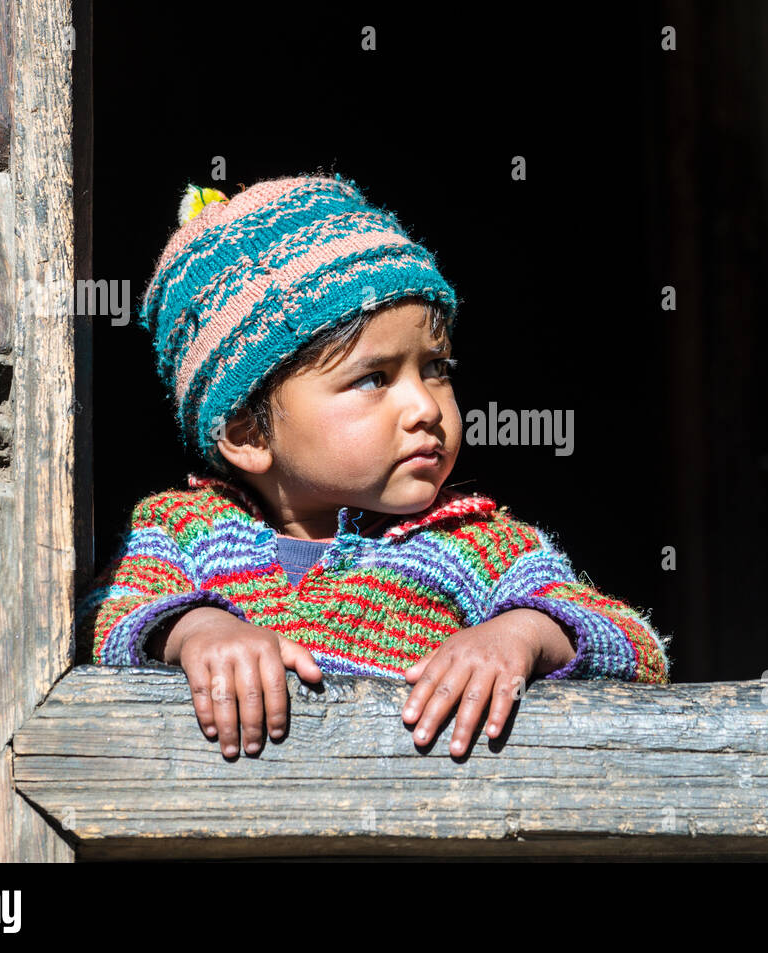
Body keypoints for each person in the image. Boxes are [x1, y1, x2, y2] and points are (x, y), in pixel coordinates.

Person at [75, 173, 672, 762]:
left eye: (436, 368)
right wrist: (198, 630)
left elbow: (637, 647)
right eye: (373, 379)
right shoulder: (181, 531)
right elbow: (104, 613)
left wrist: (519, 636)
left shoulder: (478, 546)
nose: (424, 407)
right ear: (248, 434)